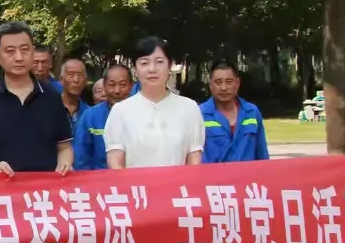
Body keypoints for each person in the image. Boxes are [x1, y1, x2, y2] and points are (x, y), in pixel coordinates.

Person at [0, 22, 74, 177]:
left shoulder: (51, 96)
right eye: (10, 51)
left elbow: (64, 147)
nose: (19, 57)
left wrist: (65, 163)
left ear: (33, 52)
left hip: (44, 193)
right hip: (1, 192)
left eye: (24, 50)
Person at [103, 36, 206, 169]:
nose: (152, 69)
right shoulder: (120, 111)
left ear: (170, 65)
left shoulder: (189, 108)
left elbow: (194, 161)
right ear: (135, 69)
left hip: (178, 188)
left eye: (159, 62)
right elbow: (116, 163)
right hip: (136, 189)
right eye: (144, 63)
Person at [199, 62, 269, 163]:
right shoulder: (200, 114)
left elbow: (262, 156)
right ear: (210, 85)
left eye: (229, 82)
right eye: (218, 82)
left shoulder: (252, 113)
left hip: (247, 178)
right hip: (213, 178)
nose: (224, 88)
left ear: (237, 83)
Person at [73, 64, 134, 171]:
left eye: (123, 84)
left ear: (131, 86)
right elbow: (81, 159)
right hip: (99, 182)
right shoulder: (90, 116)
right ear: (104, 86)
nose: (117, 90)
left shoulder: (141, 113)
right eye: (111, 85)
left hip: (136, 180)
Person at [59, 58, 91, 125]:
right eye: (71, 75)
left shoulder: (90, 112)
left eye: (79, 75)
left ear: (85, 81)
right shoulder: (50, 108)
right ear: (61, 79)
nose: (76, 80)